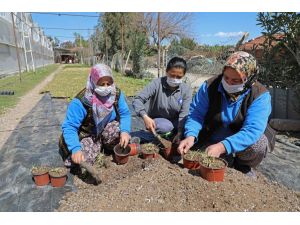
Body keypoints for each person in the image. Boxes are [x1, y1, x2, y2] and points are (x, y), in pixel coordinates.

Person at [178, 51, 275, 176]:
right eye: (226, 77)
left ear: (249, 79)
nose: (229, 83)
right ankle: (224, 157)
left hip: (240, 140)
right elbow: (196, 114)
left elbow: (252, 130)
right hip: (213, 135)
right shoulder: (210, 86)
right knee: (201, 158)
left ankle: (242, 165)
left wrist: (223, 146)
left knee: (258, 144)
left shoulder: (260, 95)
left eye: (236, 80)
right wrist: (190, 135)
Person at [59, 64, 131, 166]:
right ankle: (96, 146)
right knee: (82, 160)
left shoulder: (116, 94)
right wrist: (75, 148)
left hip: (106, 129)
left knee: (120, 134)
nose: (106, 87)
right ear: (93, 82)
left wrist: (125, 131)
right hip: (87, 134)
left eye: (109, 83)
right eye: (101, 84)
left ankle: (102, 145)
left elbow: (125, 113)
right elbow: (70, 126)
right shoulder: (81, 101)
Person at [132, 57, 192, 144]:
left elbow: (184, 113)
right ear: (166, 71)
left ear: (183, 75)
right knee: (165, 126)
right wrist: (145, 116)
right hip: (159, 122)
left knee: (192, 124)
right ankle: (150, 136)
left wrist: (180, 133)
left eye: (179, 77)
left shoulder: (186, 90)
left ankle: (169, 135)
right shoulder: (157, 83)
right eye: (172, 75)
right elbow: (138, 100)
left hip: (177, 123)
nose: (175, 79)